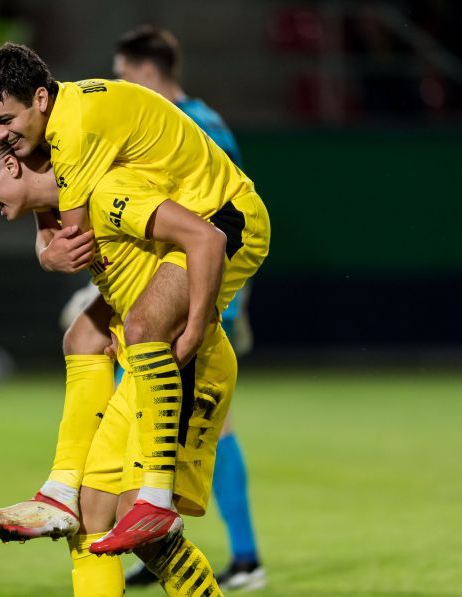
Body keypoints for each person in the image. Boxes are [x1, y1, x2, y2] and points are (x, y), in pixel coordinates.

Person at [0, 42, 264, 554]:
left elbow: (77, 239)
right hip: (182, 235)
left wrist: (194, 327)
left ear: (40, 98)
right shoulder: (57, 135)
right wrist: (47, 252)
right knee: (81, 334)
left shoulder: (78, 140)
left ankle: (159, 501)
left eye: (5, 120)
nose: (1, 136)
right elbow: (57, 231)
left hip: (221, 218)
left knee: (148, 326)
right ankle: (61, 490)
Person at [109, 26, 266, 591]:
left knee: (189, 416)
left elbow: (206, 222)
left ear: (147, 73)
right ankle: (171, 543)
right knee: (189, 417)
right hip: (208, 287)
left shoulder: (183, 126)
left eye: (126, 76)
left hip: (200, 290)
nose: (124, 88)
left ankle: (223, 553)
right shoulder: (210, 119)